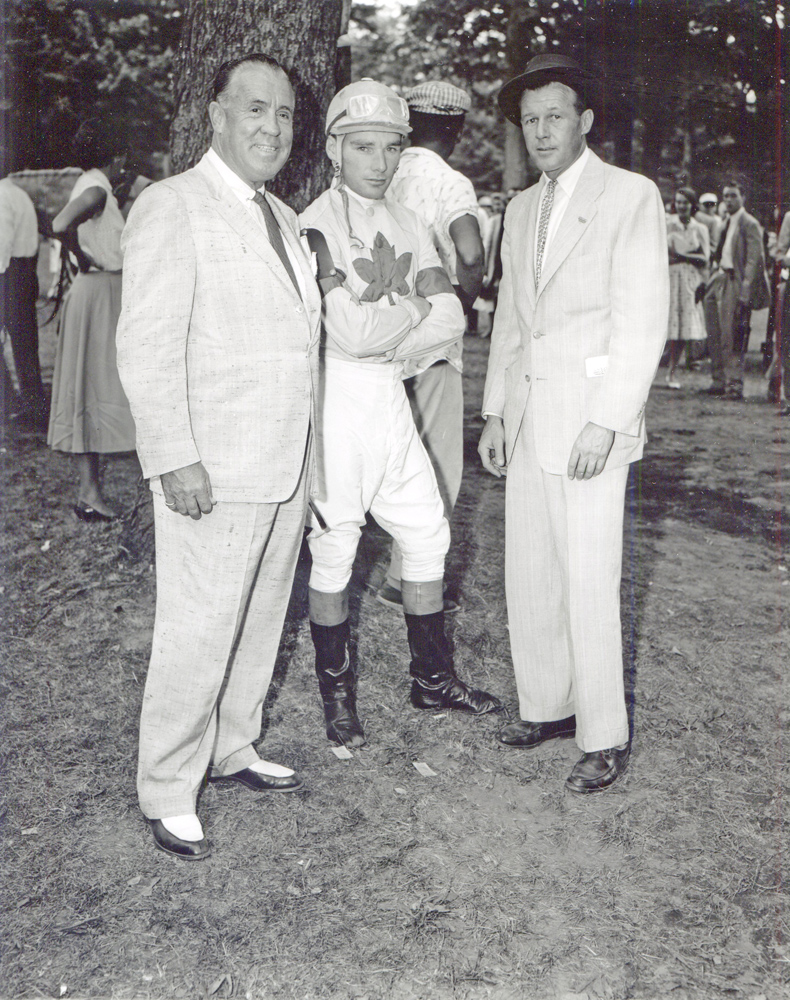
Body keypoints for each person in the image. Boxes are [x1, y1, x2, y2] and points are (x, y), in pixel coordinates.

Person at [116, 53, 322, 860]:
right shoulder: (175, 206)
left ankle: (232, 745)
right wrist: (174, 457)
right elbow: (148, 344)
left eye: (284, 115)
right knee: (197, 627)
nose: (272, 128)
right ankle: (166, 784)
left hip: (284, 464)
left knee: (259, 619)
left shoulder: (281, 215)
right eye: (256, 110)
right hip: (213, 465)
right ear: (217, 116)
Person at [477, 53, 669, 793]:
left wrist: (606, 421)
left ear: (585, 120)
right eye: (530, 121)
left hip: (591, 424)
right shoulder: (522, 209)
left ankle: (604, 734)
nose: (542, 130)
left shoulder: (630, 197)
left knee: (589, 578)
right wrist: (495, 411)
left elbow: (642, 320)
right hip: (528, 420)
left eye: (556, 116)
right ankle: (548, 705)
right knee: (532, 572)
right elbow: (511, 328)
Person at [299, 79, 500, 749]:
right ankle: (337, 698)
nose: (380, 164)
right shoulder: (315, 224)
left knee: (427, 534)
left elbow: (451, 320)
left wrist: (392, 318)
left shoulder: (411, 220)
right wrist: (415, 309)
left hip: (388, 393)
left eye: (391, 147)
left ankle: (431, 681)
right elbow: (347, 335)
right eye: (363, 148)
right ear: (334, 148)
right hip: (337, 401)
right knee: (335, 551)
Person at [375, 80, 484, 612]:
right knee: (436, 460)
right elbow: (471, 249)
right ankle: (407, 578)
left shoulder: (381, 170)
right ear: (457, 130)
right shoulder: (451, 183)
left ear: (410, 125)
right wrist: (462, 297)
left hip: (379, 335)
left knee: (387, 451)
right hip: (433, 344)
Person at [47, 120, 137, 519]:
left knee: (95, 387)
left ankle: (90, 492)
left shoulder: (93, 184)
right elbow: (60, 223)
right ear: (115, 157)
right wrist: (80, 254)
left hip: (100, 291)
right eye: (124, 160)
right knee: (96, 386)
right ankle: (89, 492)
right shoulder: (98, 188)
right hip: (100, 292)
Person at [703, 181, 770, 400]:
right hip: (720, 277)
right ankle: (719, 379)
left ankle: (734, 385)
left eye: (733, 195)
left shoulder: (749, 223)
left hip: (736, 281)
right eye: (725, 196)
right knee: (714, 331)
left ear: (743, 196)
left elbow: (754, 260)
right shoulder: (725, 222)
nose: (728, 200)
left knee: (733, 334)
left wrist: (746, 289)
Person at [0, 174, 47, 429]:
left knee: (22, 344)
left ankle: (11, 404)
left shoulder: (2, 196)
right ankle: (31, 406)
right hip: (24, 272)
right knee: (26, 345)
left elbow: (2, 243)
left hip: (8, 275)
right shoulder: (17, 194)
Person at [665, 186, 709, 388]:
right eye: (679, 202)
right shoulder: (667, 224)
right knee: (665, 325)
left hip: (690, 281)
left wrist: (682, 257)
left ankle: (672, 373)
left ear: (692, 205)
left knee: (682, 327)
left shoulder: (700, 228)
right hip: (669, 278)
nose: (682, 206)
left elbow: (704, 259)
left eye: (686, 202)